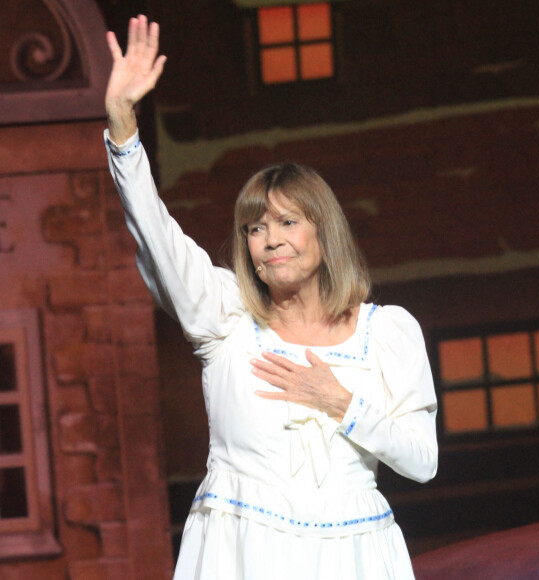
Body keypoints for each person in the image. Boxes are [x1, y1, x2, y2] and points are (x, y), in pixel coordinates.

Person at [104, 15, 438, 580]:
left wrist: (339, 401)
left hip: (354, 557)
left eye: (287, 221)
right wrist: (122, 129)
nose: (271, 240)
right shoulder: (227, 317)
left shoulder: (387, 331)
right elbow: (159, 240)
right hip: (244, 556)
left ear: (323, 233)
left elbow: (422, 462)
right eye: (255, 228)